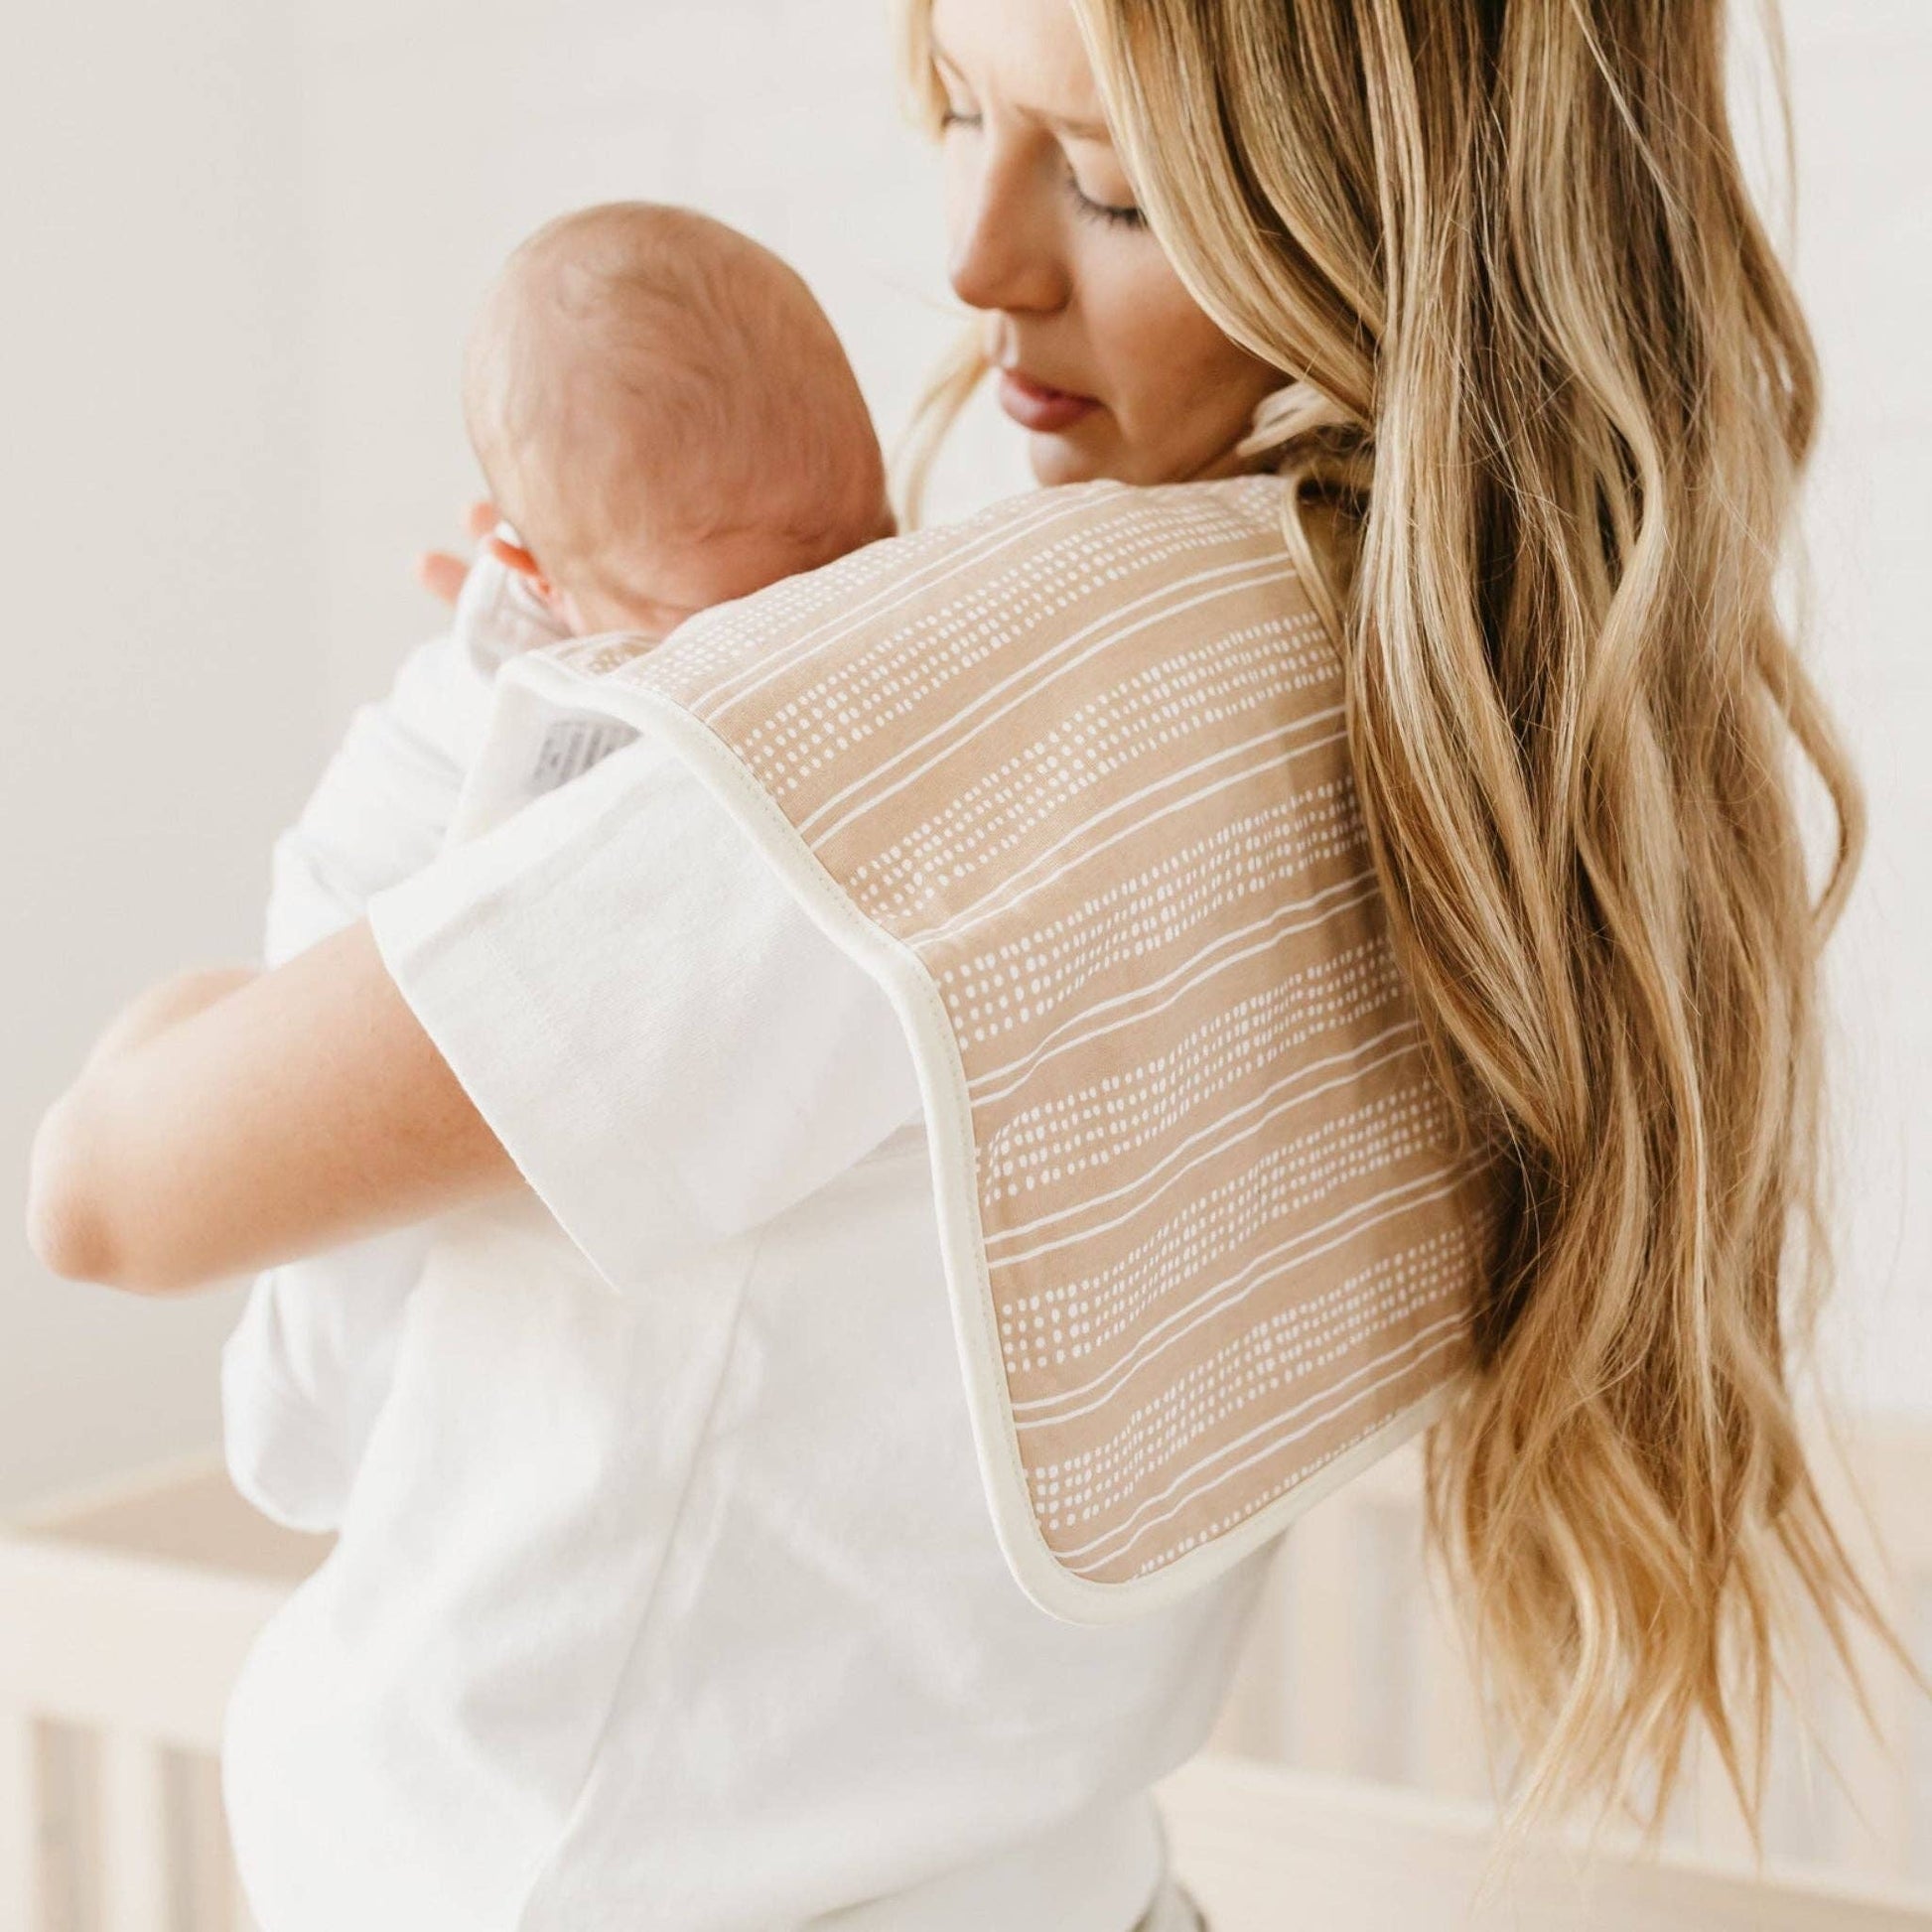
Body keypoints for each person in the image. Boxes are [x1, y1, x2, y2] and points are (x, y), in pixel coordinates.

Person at [26, 1, 1899, 1928]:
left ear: (1393, 225)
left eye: (1107, 183)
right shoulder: (1451, 747)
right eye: (952, 109)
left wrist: (390, 819)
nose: (974, 258)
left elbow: (111, 1193)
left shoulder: (919, 740)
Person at [222, 201, 894, 1532]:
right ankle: (298, 1426)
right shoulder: (501, 713)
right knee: (338, 1267)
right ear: (528, 567)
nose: (805, 632)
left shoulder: (670, 568)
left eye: (860, 548)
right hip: (365, 908)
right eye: (729, 620)